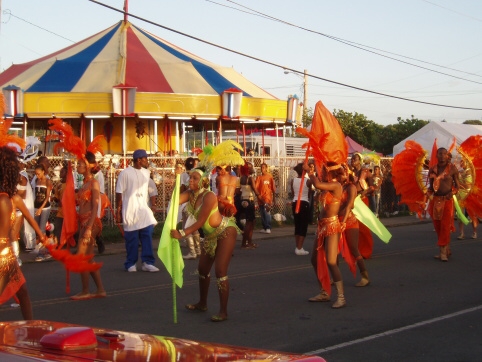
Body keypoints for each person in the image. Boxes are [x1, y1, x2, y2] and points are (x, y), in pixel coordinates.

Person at [170, 166, 240, 322]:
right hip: (210, 235)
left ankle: (223, 311)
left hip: (225, 232)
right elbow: (174, 200)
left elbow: (200, 221)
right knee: (202, 269)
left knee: (220, 271)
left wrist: (181, 233)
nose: (191, 180)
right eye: (190, 177)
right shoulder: (190, 194)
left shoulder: (208, 196)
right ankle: (202, 303)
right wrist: (177, 178)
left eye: (195, 178)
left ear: (203, 182)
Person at [0, 146, 47, 319]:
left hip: (8, 256)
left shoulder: (14, 198)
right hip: (3, 256)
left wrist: (42, 237)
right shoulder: (5, 200)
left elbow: (30, 218)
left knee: (23, 293)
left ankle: (31, 329)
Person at [305, 162, 346, 308]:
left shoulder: (336, 186)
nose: (321, 173)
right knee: (314, 259)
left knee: (331, 261)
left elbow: (317, 184)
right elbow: (314, 184)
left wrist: (309, 172)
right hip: (322, 226)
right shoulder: (325, 186)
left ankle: (341, 297)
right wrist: (309, 176)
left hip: (332, 226)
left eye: (323, 171)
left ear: (331, 172)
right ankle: (324, 291)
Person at [116, 149, 160, 272]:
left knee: (147, 233)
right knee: (132, 238)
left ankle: (147, 262)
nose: (147, 161)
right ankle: (131, 263)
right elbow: (119, 192)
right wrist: (118, 210)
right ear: (139, 160)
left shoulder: (146, 173)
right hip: (130, 209)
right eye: (145, 158)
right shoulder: (125, 173)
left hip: (143, 209)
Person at [71, 152, 107, 300]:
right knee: (88, 258)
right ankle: (100, 289)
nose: (78, 165)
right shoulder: (84, 183)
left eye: (80, 163)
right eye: (77, 163)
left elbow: (95, 207)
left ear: (89, 166)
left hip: (91, 222)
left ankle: (85, 291)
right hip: (84, 222)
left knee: (81, 257)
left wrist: (89, 228)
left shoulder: (94, 183)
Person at [337, 164, 370, 287]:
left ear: (347, 174)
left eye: (341, 174)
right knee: (334, 251)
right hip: (337, 221)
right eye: (338, 175)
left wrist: (343, 221)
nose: (339, 177)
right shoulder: (338, 187)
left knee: (354, 249)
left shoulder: (351, 187)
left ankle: (365, 276)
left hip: (349, 221)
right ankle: (336, 277)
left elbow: (350, 205)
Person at [426, 147, 459, 261]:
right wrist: (427, 194)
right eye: (439, 154)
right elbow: (431, 187)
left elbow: (457, 186)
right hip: (436, 201)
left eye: (444, 154)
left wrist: (453, 192)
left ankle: (443, 252)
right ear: (436, 155)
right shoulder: (432, 170)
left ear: (447, 156)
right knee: (438, 226)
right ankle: (446, 249)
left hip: (447, 201)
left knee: (445, 226)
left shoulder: (452, 169)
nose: (441, 156)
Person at [33, 163, 53, 261]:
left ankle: (43, 252)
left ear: (43, 172)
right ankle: (46, 249)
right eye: (36, 174)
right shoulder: (37, 180)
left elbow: (47, 197)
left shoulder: (47, 181)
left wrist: (41, 208)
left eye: (39, 174)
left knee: (41, 229)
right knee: (37, 230)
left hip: (44, 207)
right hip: (37, 206)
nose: (38, 176)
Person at [291, 163, 312, 255]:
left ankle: (298, 246)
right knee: (303, 226)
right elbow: (310, 193)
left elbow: (293, 192)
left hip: (295, 202)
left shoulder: (293, 180)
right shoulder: (307, 181)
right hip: (304, 203)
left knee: (297, 225)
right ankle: (299, 247)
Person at [456, 158, 477, 240]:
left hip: (469, 196)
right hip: (460, 196)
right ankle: (461, 233)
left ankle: (474, 232)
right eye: (460, 161)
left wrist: (459, 183)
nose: (461, 163)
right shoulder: (460, 172)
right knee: (460, 215)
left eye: (462, 162)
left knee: (472, 215)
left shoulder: (470, 172)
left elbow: (468, 186)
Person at [238, 161, 258, 249]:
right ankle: (244, 243)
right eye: (250, 167)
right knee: (249, 223)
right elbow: (255, 190)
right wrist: (263, 201)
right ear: (248, 169)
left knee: (250, 222)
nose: (252, 168)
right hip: (249, 200)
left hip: (243, 199)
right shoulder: (250, 178)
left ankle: (249, 242)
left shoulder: (241, 178)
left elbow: (238, 191)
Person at [256, 163, 276, 234]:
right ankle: (264, 227)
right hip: (261, 198)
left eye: (264, 167)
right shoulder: (259, 177)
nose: (262, 169)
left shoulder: (269, 177)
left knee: (266, 212)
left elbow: (273, 189)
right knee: (262, 213)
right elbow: (256, 187)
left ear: (266, 168)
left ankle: (268, 227)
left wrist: (274, 199)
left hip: (267, 198)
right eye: (261, 168)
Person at [52, 164, 67, 244]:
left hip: (67, 211)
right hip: (60, 211)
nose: (60, 173)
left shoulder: (69, 185)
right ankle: (57, 243)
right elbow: (57, 198)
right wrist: (55, 198)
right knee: (58, 227)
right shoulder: (58, 184)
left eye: (62, 172)